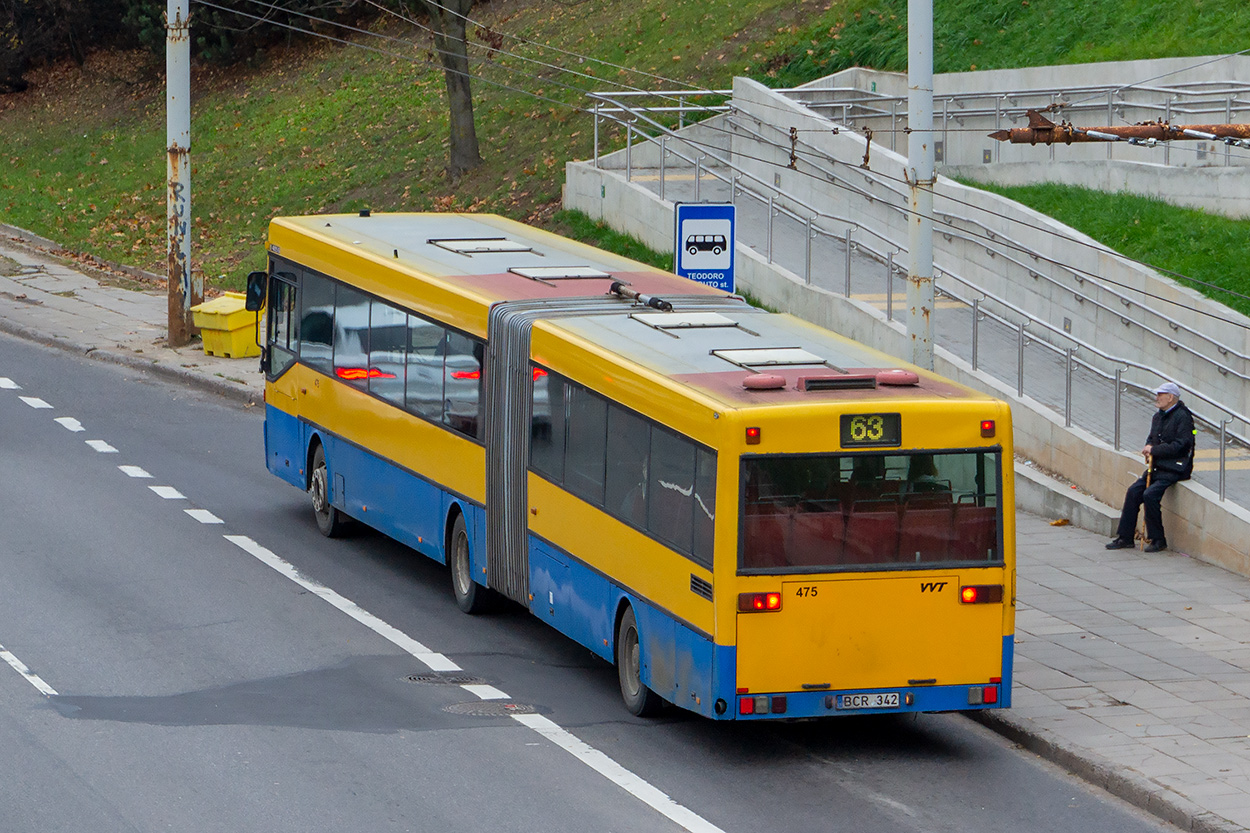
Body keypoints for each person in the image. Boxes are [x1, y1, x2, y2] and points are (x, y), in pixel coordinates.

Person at [1106, 382, 1196, 553]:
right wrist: (1148, 447)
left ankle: (1158, 539)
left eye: (1160, 395)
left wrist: (1155, 450)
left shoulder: (1183, 417)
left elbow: (1182, 445)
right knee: (1134, 492)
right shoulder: (1158, 416)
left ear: (1170, 398)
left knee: (1150, 495)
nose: (1157, 398)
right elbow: (1152, 437)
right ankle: (1125, 537)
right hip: (1157, 466)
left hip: (1174, 468)